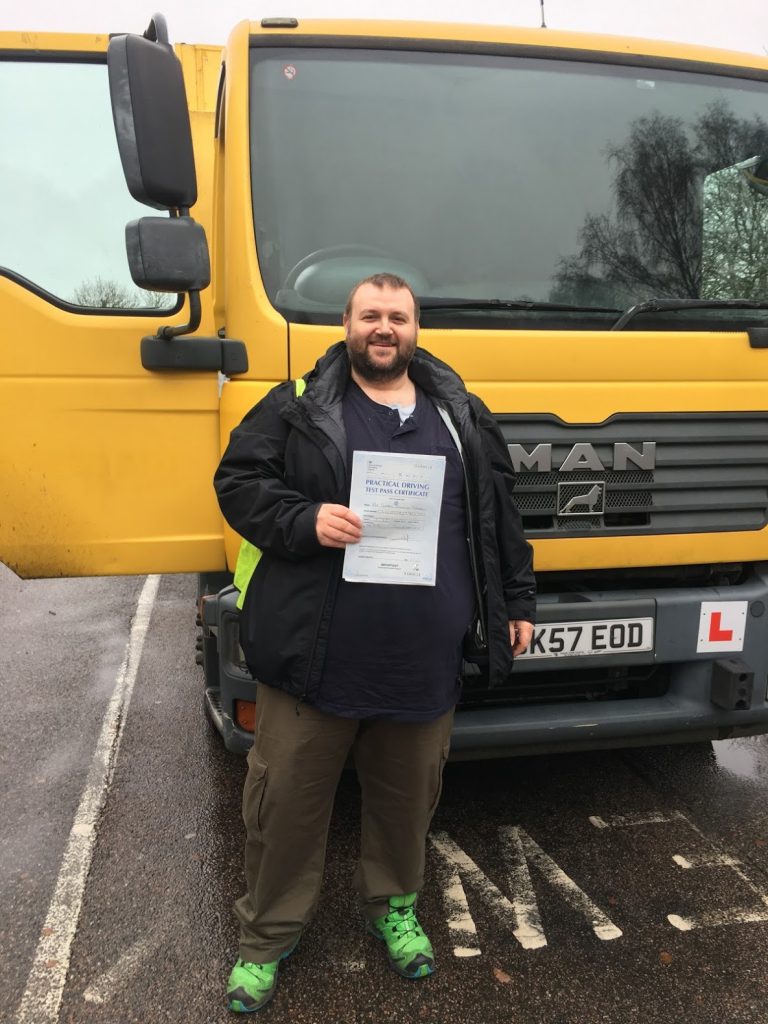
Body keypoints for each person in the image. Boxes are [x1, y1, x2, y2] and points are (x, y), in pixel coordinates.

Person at [214, 272, 535, 1013]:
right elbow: (237, 481)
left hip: (421, 660)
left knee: (404, 805)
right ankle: (267, 937)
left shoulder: (460, 412)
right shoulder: (300, 404)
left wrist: (517, 597)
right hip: (312, 660)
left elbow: (498, 514)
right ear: (348, 324)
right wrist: (304, 521)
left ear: (416, 328)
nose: (383, 328)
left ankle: (393, 906)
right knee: (286, 805)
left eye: (397, 316)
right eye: (370, 316)